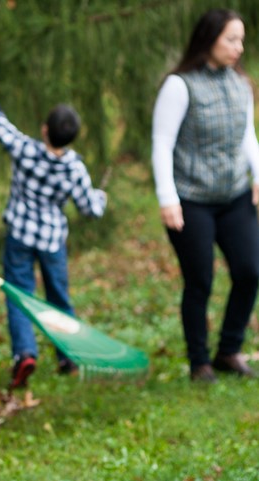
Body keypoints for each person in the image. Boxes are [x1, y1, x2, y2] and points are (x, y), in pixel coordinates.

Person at [0, 53, 107, 389]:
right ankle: (68, 356)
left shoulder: (26, 150)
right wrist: (101, 198)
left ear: (45, 130)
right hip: (52, 241)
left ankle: (25, 354)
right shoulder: (75, 168)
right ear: (72, 137)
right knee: (58, 297)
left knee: (18, 294)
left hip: (19, 234)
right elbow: (91, 209)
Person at [151, 9, 259, 383]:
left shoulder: (240, 84)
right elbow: (162, 143)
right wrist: (168, 198)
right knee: (200, 281)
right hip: (191, 199)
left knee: (250, 272)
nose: (238, 47)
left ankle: (229, 349)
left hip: (234, 195)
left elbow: (247, 135)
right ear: (209, 38)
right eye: (230, 39)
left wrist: (257, 176)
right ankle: (199, 362)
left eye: (241, 40)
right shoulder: (180, 85)